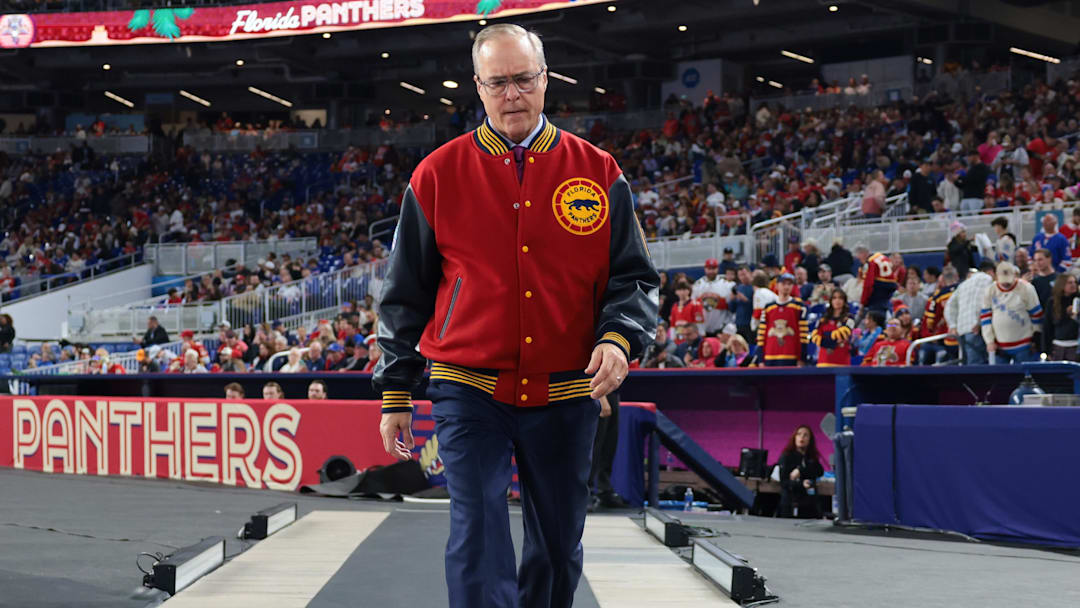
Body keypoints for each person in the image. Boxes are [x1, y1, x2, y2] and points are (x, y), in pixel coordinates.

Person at [372, 23, 659, 608]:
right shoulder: (435, 175)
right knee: (478, 535)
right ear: (477, 87)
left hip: (565, 390)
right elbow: (404, 294)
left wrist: (619, 339)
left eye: (523, 79)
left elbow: (633, 277)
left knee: (557, 547)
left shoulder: (599, 171)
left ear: (546, 79)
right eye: (498, 82)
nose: (512, 94)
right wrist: (395, 394)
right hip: (467, 386)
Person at [981, 262, 1042, 364]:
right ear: (996, 277)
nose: (1005, 284)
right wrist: (989, 341)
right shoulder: (990, 290)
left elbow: (1036, 314)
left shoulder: (1026, 288)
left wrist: (1036, 338)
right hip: (1000, 345)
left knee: (1025, 377)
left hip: (1024, 343)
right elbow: (985, 317)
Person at [945, 260, 996, 365]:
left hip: (962, 331)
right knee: (979, 369)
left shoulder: (963, 284)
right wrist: (979, 322)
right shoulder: (988, 279)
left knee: (969, 367)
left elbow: (949, 305)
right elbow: (983, 302)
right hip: (977, 330)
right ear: (991, 272)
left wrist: (953, 325)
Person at [756, 272, 808, 366]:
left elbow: (803, 335)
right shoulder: (768, 308)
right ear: (777, 285)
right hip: (770, 356)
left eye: (789, 284)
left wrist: (802, 358)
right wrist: (760, 359)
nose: (786, 287)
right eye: (783, 283)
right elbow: (761, 334)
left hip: (791, 356)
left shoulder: (799, 307)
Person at [588, 390, 627, 512]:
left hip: (612, 389)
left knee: (609, 444)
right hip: (596, 389)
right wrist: (600, 395)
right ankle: (586, 492)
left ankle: (603, 489)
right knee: (595, 444)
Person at [777, 425, 825, 518]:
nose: (801, 437)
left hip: (809, 502)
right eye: (799, 434)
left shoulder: (811, 458)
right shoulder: (787, 456)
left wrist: (800, 470)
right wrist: (801, 484)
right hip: (791, 502)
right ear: (794, 437)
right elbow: (784, 482)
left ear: (810, 440)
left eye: (805, 435)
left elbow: (819, 471)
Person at [920, 265, 959, 365]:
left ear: (943, 280)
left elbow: (930, 321)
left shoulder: (938, 296)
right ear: (957, 276)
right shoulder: (965, 289)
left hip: (950, 337)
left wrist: (934, 329)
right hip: (967, 334)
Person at [811, 289, 855, 366]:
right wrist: (831, 340)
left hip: (841, 362)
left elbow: (842, 335)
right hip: (823, 362)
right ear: (831, 301)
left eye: (840, 298)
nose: (837, 301)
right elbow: (815, 336)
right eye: (834, 298)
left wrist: (825, 338)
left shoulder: (849, 319)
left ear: (844, 301)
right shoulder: (823, 319)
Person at [1031, 248, 1058, 357]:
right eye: (1036, 260)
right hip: (1040, 324)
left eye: (1040, 260)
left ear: (1049, 259)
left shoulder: (1059, 279)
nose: (1038, 263)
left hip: (1055, 324)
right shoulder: (1034, 282)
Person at [858, 246, 899, 315]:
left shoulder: (870, 262)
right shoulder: (882, 256)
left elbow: (868, 284)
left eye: (859, 256)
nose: (859, 259)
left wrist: (863, 302)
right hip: (890, 287)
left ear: (864, 253)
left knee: (875, 315)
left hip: (878, 290)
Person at [1047, 274, 1080, 362]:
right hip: (1057, 347)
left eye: (1075, 282)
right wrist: (1046, 350)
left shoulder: (1078, 300)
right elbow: (1047, 326)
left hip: (1076, 346)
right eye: (1070, 283)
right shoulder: (1052, 302)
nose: (1073, 285)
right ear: (1061, 285)